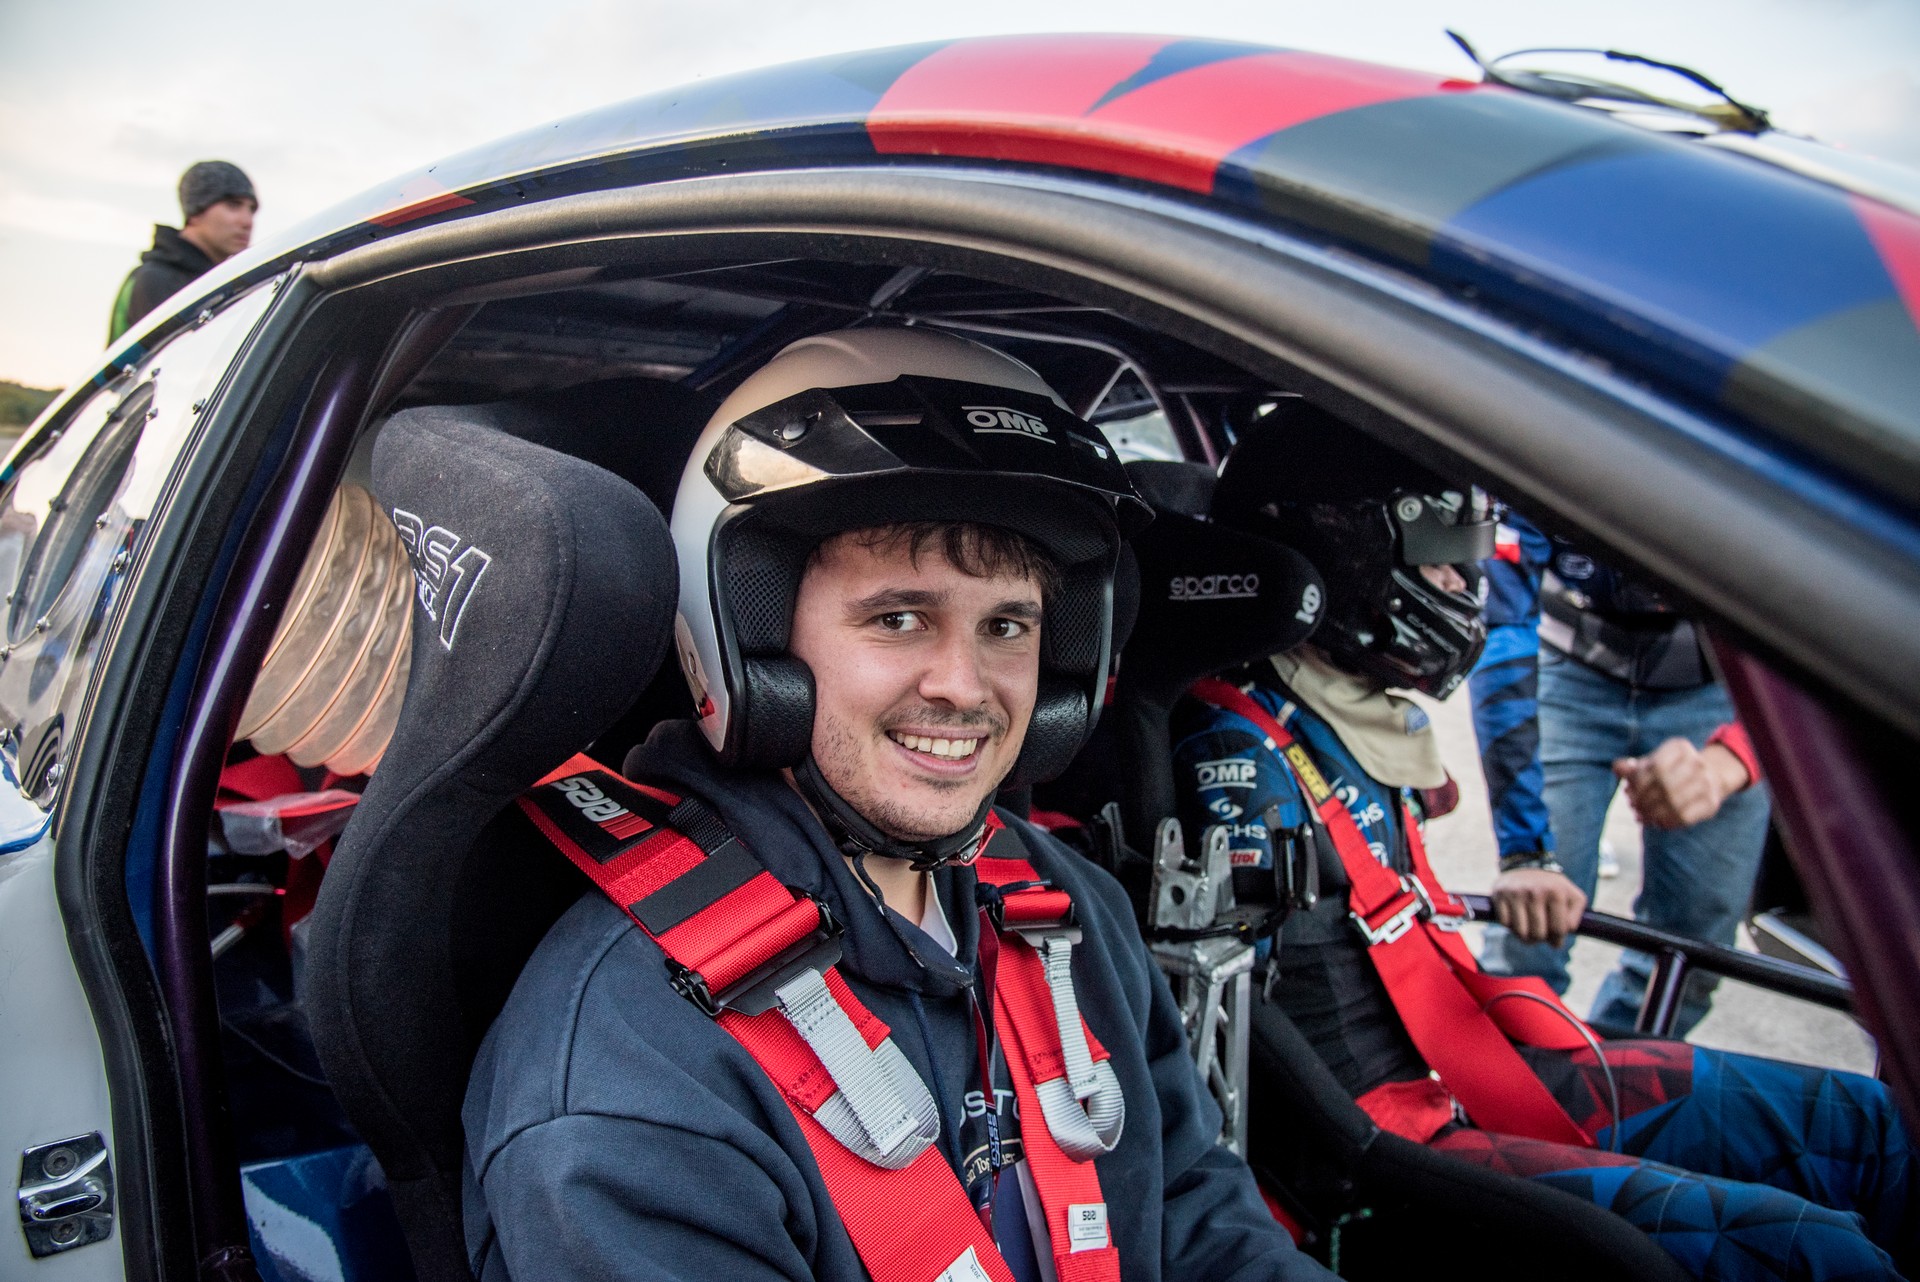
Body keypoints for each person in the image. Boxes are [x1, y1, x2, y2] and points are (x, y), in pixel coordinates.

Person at [463, 328, 1331, 1282]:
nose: (964, 685)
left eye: (1007, 626)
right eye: (899, 618)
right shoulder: (634, 1070)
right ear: (751, 638)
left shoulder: (1064, 905)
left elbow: (1192, 1212)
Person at [1174, 402, 1913, 1282]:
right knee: (1816, 1254)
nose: (1464, 588)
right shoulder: (1237, 751)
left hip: (1476, 1063)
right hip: (1387, 1151)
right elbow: (1273, 1086)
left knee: (1874, 1125)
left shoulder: (1340, 712)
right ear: (1348, 554)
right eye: (1442, 563)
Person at [1470, 510, 1769, 1034]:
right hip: (1570, 671)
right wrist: (1526, 849)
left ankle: (1618, 1095)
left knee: (1693, 954)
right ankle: (1519, 1094)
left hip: (1726, 687)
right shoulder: (1553, 441)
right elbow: (1501, 625)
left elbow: (1840, 626)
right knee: (1526, 939)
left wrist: (1731, 762)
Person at [107, 160, 256, 342]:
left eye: (252, 210)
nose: (247, 221)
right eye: (233, 205)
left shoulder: (225, 283)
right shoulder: (154, 280)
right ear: (195, 211)